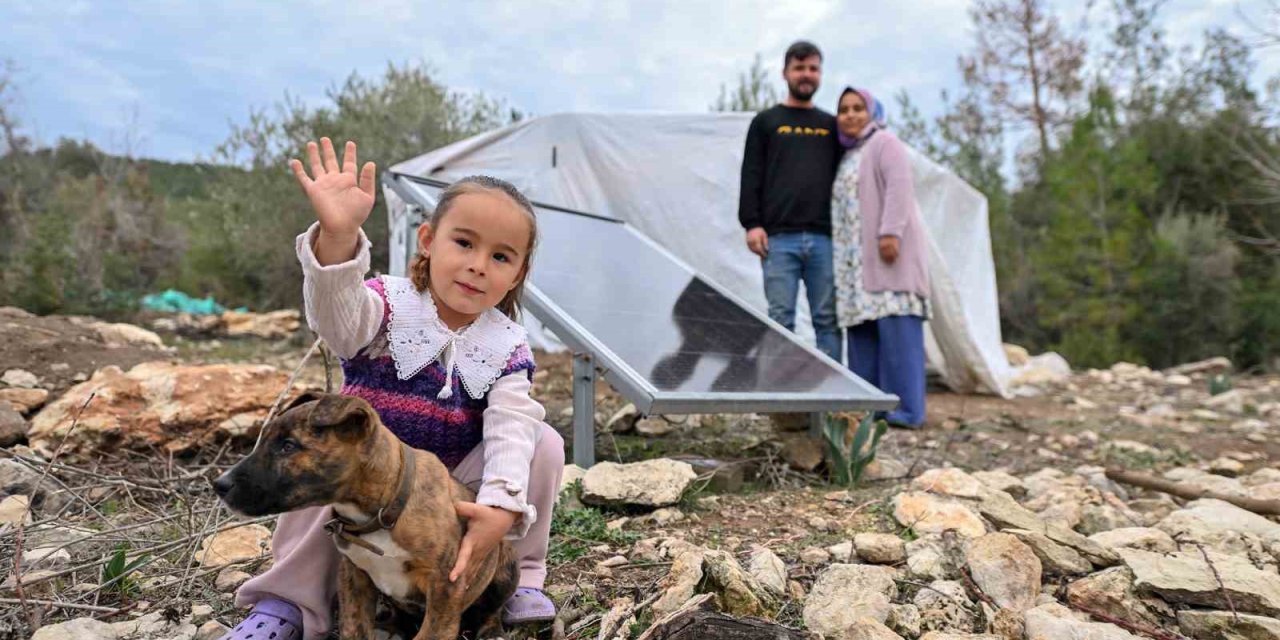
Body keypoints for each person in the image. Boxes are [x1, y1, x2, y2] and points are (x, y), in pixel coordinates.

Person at [221, 138, 564, 640]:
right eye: (464, 243)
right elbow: (337, 321)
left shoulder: (507, 343)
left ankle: (523, 577)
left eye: (500, 256)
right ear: (427, 240)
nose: (478, 264)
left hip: (451, 487)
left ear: (517, 275)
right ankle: (287, 602)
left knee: (541, 443)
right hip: (370, 472)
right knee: (319, 470)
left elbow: (511, 424)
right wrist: (338, 239)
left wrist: (499, 505)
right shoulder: (389, 303)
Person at [830, 88, 931, 428]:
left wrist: (891, 232)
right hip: (855, 266)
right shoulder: (848, 153)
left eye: (858, 108)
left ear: (872, 112)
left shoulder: (884, 142)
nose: (850, 115)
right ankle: (869, 409)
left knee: (898, 332)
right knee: (863, 334)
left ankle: (906, 411)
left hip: (887, 256)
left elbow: (899, 186)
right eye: (844, 109)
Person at [737, 40, 843, 362]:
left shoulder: (831, 126)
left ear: (820, 74)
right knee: (780, 319)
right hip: (778, 239)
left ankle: (833, 390)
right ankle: (779, 390)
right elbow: (751, 174)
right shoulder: (766, 122)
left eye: (813, 68)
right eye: (799, 68)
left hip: (825, 238)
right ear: (785, 73)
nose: (806, 74)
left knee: (828, 320)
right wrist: (752, 224)